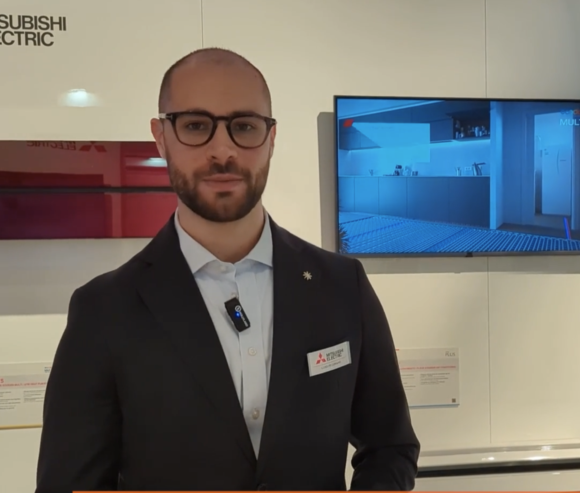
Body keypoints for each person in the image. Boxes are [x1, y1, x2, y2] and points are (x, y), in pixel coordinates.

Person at [35, 47, 419, 492]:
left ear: (271, 139)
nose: (223, 150)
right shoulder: (104, 310)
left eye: (245, 126)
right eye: (196, 126)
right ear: (161, 137)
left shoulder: (341, 286)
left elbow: (391, 447)